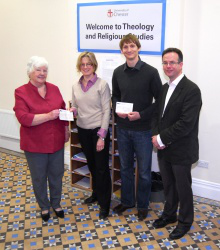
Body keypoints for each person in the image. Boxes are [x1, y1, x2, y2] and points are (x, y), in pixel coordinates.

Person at [151, 48, 202, 239]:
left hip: (181, 149)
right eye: (165, 62)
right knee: (169, 185)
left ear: (181, 64)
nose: (168, 66)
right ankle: (169, 215)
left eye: (172, 62)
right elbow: (158, 115)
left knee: (183, 187)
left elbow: (186, 123)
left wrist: (161, 138)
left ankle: (185, 222)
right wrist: (156, 135)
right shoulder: (165, 88)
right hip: (164, 149)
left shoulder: (192, 90)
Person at [112, 34, 162, 221]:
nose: (129, 50)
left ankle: (142, 205)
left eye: (132, 46)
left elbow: (159, 101)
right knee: (124, 167)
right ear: (122, 50)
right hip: (123, 128)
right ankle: (127, 201)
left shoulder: (151, 72)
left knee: (143, 171)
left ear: (138, 48)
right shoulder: (118, 72)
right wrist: (118, 110)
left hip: (143, 130)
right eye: (125, 47)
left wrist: (141, 114)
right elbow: (115, 96)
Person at [14, 56, 70, 222]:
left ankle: (56, 203)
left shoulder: (54, 88)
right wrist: (47, 116)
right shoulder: (21, 92)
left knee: (56, 174)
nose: (42, 73)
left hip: (57, 141)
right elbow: (24, 118)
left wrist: (66, 128)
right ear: (30, 72)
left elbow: (61, 110)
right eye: (38, 70)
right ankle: (44, 207)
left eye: (45, 70)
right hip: (34, 144)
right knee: (39, 177)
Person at [70, 51, 112, 219]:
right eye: (82, 64)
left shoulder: (102, 85)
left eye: (88, 64)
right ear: (79, 66)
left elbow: (106, 111)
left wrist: (102, 136)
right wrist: (72, 110)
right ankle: (96, 194)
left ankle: (105, 204)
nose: (85, 67)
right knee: (92, 165)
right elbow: (75, 106)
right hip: (82, 129)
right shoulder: (75, 86)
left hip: (97, 131)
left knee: (101, 169)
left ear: (94, 65)